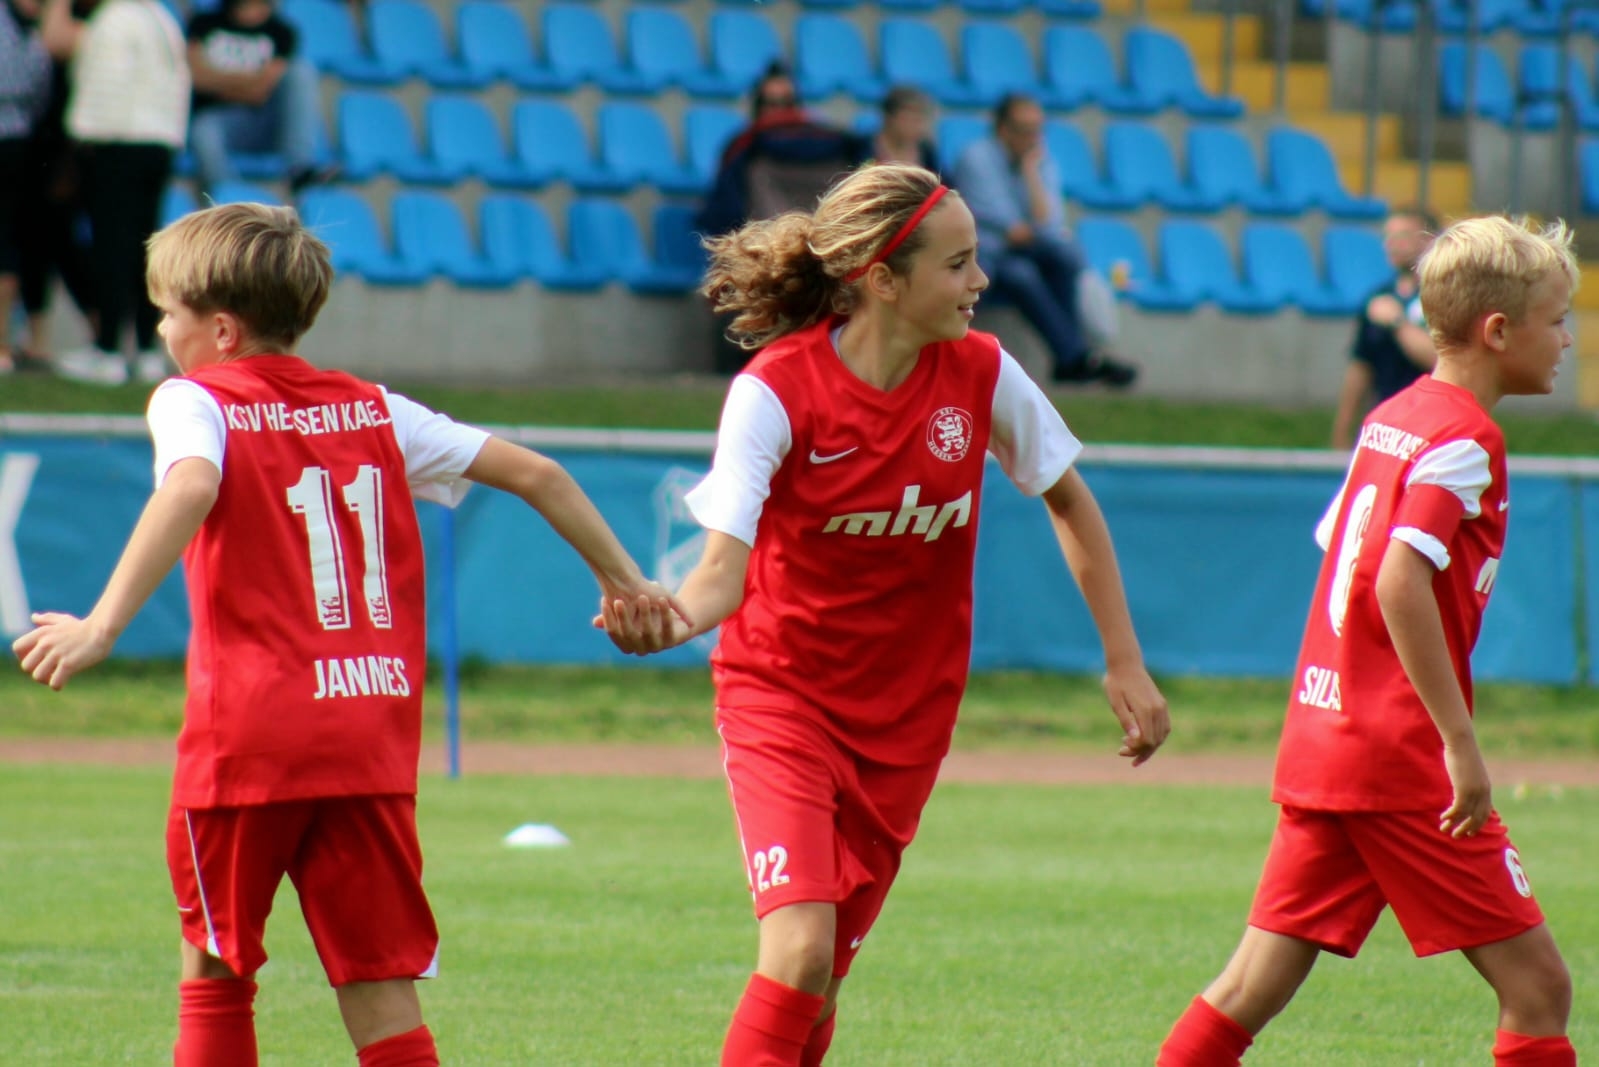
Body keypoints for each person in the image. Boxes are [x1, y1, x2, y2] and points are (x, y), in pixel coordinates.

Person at [12, 202, 686, 1067]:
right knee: (379, 984)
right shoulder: (375, 409)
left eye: (168, 314)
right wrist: (625, 581)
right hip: (367, 733)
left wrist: (101, 625)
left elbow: (189, 486)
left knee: (216, 967)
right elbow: (539, 472)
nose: (163, 332)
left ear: (221, 330)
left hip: (251, 738)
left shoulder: (193, 398)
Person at [599, 163, 1171, 1067]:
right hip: (782, 698)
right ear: (882, 280)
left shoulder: (981, 370)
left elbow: (1068, 499)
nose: (981, 280)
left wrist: (1123, 658)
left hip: (909, 716)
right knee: (799, 951)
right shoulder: (774, 391)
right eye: (958, 263)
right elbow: (717, 579)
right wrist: (665, 623)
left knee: (823, 978)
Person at [1156, 215, 1579, 1067]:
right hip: (1397, 755)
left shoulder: (1394, 415)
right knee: (1537, 987)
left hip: (1329, 735)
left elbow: (1339, 549)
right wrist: (1457, 739)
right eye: (1557, 319)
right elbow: (1393, 579)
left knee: (1249, 983)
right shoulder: (1466, 436)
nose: (1567, 339)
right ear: (1498, 332)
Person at [42, 0, 189, 387]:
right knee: (144, 249)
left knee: (113, 248)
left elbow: (99, 93)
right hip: (160, 142)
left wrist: (78, 143)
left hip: (116, 145)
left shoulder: (112, 20)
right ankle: (146, 348)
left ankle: (108, 350)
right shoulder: (162, 19)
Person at [953, 93, 1137, 388]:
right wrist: (1036, 228)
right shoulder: (976, 158)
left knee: (1066, 256)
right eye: (1024, 130)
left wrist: (1030, 173)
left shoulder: (1039, 160)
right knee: (1023, 275)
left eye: (1037, 130)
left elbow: (1048, 223)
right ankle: (1076, 357)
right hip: (985, 254)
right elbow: (1013, 229)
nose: (1032, 139)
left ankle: (1074, 356)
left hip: (1023, 248)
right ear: (1003, 129)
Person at [10, 0, 98, 371]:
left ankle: (96, 332)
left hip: (63, 146)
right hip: (31, 144)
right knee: (34, 242)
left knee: (60, 242)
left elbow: (54, 42)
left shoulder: (87, 18)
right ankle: (37, 337)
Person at [185, 0, 337, 197]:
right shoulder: (204, 23)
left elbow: (259, 91)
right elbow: (196, 78)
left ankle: (299, 168)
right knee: (203, 131)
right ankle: (229, 202)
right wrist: (252, 79)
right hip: (217, 119)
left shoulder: (281, 31)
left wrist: (218, 80)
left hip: (263, 123)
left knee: (301, 71)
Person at [1330, 207, 1440, 449]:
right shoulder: (1377, 298)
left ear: (1429, 240)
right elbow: (1361, 366)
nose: (1393, 245)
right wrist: (1343, 432)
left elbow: (1440, 360)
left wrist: (1397, 323)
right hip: (1386, 424)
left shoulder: (1443, 296)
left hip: (1432, 423)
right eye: (1389, 237)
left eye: (1403, 237)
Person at [0, 0, 52, 372]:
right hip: (15, 137)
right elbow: (33, 89)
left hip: (16, 145)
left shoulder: (28, 31)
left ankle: (5, 342)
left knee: (9, 243)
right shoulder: (22, 33)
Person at [854, 84, 938, 172]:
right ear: (889, 117)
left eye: (919, 118)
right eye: (908, 118)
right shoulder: (859, 149)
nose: (916, 125)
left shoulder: (927, 154)